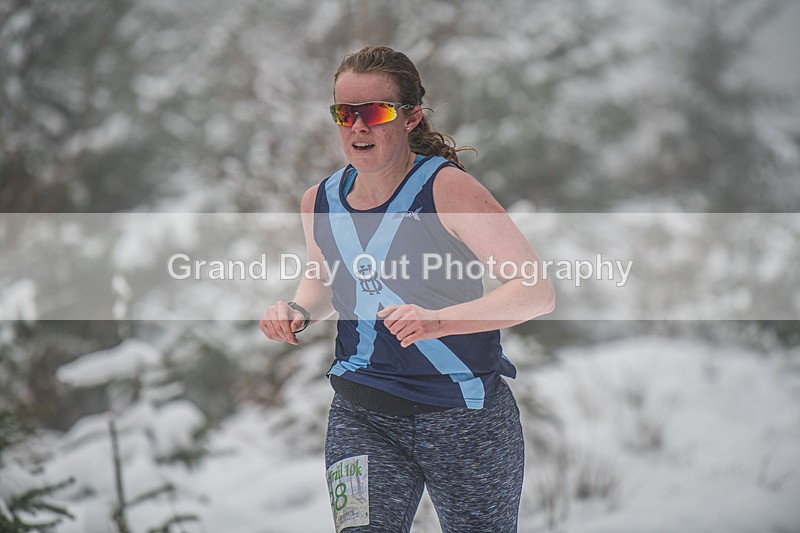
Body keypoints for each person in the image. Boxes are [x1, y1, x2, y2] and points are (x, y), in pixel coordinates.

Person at [260, 45, 555, 532]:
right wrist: (298, 310)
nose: (358, 127)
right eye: (344, 113)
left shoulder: (448, 190)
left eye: (375, 112)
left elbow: (535, 291)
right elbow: (326, 277)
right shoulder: (320, 200)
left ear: (411, 117)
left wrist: (439, 321)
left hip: (463, 417)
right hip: (362, 413)